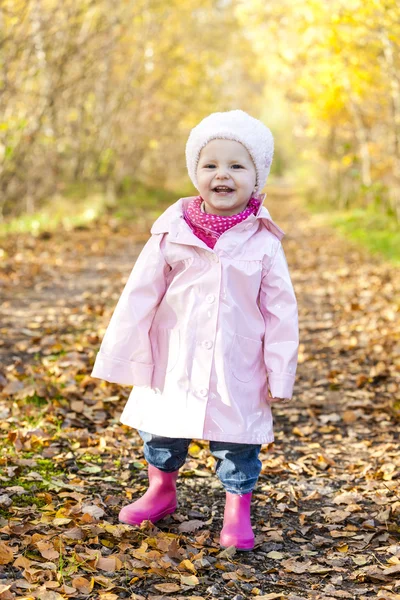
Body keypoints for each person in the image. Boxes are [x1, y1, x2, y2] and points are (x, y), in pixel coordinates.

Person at [90, 109, 299, 551]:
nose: (222, 174)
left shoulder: (264, 242)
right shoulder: (170, 234)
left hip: (235, 361)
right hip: (174, 358)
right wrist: (125, 358)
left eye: (236, 165)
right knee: (161, 432)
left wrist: (280, 372)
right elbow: (139, 297)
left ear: (257, 177)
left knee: (237, 442)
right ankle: (161, 490)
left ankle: (236, 510)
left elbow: (281, 312)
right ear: (196, 174)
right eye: (211, 165)